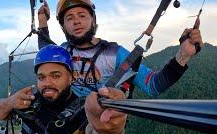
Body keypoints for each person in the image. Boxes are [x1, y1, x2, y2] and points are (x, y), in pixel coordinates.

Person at [37, 0, 204, 97]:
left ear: (93, 21)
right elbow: (45, 56)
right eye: (69, 18)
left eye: (82, 16)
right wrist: (42, 22)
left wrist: (183, 55)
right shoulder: (63, 52)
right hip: (63, 123)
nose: (76, 21)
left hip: (99, 129)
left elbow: (153, 86)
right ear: (64, 27)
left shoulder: (114, 53)